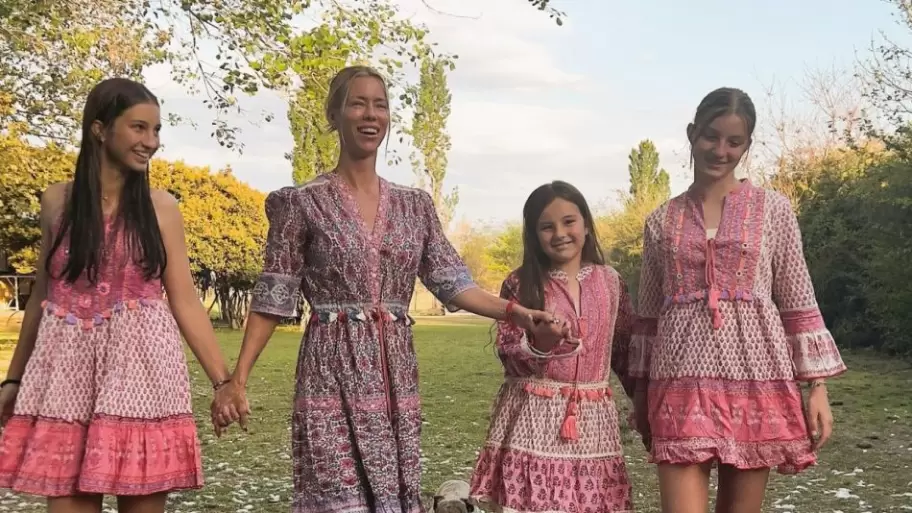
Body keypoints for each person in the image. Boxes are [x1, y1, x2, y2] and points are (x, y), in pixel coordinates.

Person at [210, 65, 563, 513]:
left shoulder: (415, 206)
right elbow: (273, 296)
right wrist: (237, 379)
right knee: (336, 494)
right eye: (357, 102)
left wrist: (517, 313)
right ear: (334, 114)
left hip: (395, 371)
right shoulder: (301, 203)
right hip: (329, 370)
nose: (369, 114)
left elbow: (452, 281)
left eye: (380, 104)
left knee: (393, 493)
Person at [0, 78, 239, 513]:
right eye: (139, 128)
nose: (151, 142)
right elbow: (42, 297)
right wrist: (13, 380)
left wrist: (223, 382)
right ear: (99, 129)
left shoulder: (160, 207)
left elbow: (184, 300)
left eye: (156, 130)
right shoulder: (57, 201)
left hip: (142, 373)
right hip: (67, 377)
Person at [629, 87, 847, 513]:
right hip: (679, 382)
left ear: (747, 144)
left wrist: (816, 388)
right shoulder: (660, 220)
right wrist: (640, 395)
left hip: (757, 379)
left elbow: (797, 297)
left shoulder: (774, 210)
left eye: (735, 141)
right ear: (692, 134)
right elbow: (650, 314)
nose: (721, 150)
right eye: (711, 136)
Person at [469, 181, 638, 513]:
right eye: (547, 226)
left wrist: (643, 403)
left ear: (586, 225)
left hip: (593, 425)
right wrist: (540, 346)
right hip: (532, 417)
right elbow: (508, 350)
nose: (559, 232)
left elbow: (624, 352)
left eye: (569, 222)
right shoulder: (521, 283)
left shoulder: (611, 283)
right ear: (534, 234)